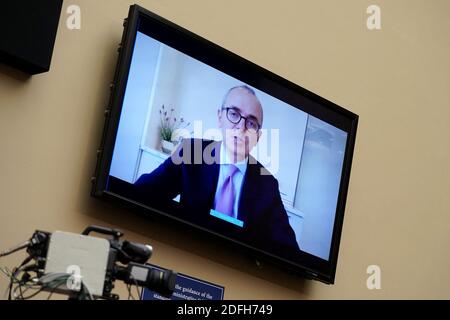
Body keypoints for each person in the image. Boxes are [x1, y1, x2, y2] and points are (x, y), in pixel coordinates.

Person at [132, 85, 300, 256]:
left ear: (258, 136)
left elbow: (289, 251)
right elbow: (141, 194)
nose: (241, 127)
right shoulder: (192, 151)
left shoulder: (267, 183)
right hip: (184, 251)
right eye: (234, 114)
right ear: (220, 117)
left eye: (251, 123)